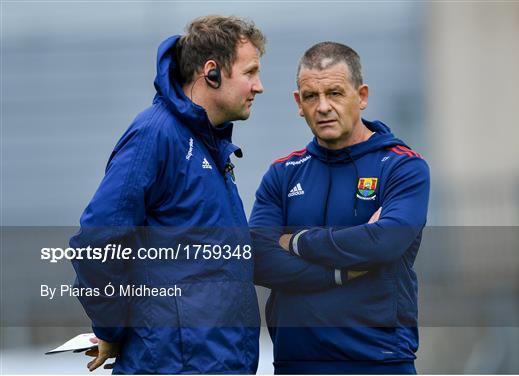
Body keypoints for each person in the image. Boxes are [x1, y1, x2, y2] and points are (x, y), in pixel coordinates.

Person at [70, 16, 265, 374]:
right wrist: (111, 328)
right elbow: (96, 243)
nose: (259, 86)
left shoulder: (211, 144)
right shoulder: (155, 135)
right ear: (212, 72)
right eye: (250, 72)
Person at [249, 42, 429, 374]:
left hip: (378, 361)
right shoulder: (282, 174)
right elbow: (259, 258)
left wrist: (298, 242)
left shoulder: (403, 168)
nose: (323, 107)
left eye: (335, 93)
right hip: (296, 362)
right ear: (298, 103)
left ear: (361, 96)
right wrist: (341, 270)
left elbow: (383, 243)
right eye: (310, 96)